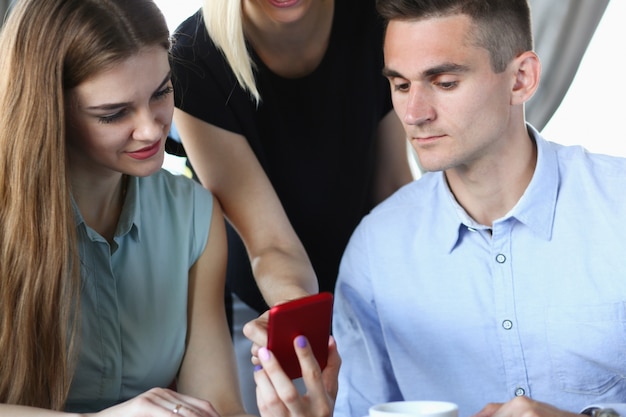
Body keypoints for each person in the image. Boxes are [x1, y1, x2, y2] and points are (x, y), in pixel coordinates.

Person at [0, 0, 337, 415]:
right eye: (114, 113)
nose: (151, 128)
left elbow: (218, 405)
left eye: (161, 92)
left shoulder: (192, 216)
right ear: (49, 110)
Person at [332, 1, 626, 417]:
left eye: (445, 82)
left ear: (521, 79)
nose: (414, 114)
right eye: (400, 86)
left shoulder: (619, 209)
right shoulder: (375, 252)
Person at [170, 0, 414, 412]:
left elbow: (392, 186)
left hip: (368, 288)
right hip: (264, 308)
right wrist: (303, 330)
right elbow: (270, 243)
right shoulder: (194, 57)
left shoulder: (378, 19)